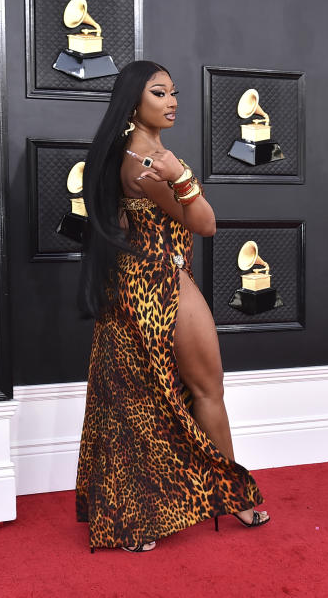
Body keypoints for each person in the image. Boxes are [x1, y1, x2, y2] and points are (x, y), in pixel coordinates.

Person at [75, 61, 270, 553]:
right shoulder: (143, 162)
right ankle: (233, 496)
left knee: (141, 403)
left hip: (137, 286)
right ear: (133, 104)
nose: (172, 101)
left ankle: (144, 514)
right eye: (159, 93)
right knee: (205, 390)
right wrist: (182, 176)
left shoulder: (136, 153)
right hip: (160, 285)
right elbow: (205, 224)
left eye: (174, 92)